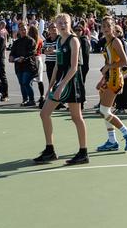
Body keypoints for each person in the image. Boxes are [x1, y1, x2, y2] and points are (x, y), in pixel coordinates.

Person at [32, 13, 88, 165]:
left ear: (70, 24)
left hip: (72, 82)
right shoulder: (58, 41)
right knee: (44, 113)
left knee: (76, 117)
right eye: (60, 22)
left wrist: (61, 86)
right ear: (55, 25)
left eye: (65, 22)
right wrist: (50, 87)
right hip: (60, 82)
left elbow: (74, 67)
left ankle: (83, 152)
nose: (63, 24)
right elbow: (57, 65)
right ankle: (50, 150)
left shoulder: (74, 40)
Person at [94, 16, 127, 152]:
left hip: (115, 79)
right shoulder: (107, 43)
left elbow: (125, 61)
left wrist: (109, 67)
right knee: (105, 111)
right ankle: (112, 141)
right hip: (109, 78)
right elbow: (108, 64)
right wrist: (102, 79)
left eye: (108, 26)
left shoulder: (115, 42)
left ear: (113, 27)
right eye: (104, 26)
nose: (106, 28)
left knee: (103, 110)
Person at [9, 23, 37, 106]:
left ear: (27, 30)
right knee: (21, 83)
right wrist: (11, 57)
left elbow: (31, 52)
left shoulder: (31, 40)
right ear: (19, 31)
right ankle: (25, 99)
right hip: (18, 66)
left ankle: (32, 100)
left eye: (24, 29)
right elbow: (12, 53)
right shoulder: (16, 42)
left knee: (26, 83)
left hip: (28, 65)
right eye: (21, 29)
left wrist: (23, 58)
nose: (23, 31)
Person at [28, 25, 46, 107]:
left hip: (32, 59)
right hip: (38, 58)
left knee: (30, 79)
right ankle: (42, 96)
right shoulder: (40, 40)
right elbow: (41, 49)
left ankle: (31, 97)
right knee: (40, 79)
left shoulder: (30, 40)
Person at [0, 25, 8, 101]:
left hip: (0, 60)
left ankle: (5, 95)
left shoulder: (1, 39)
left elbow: (0, 51)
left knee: (2, 76)